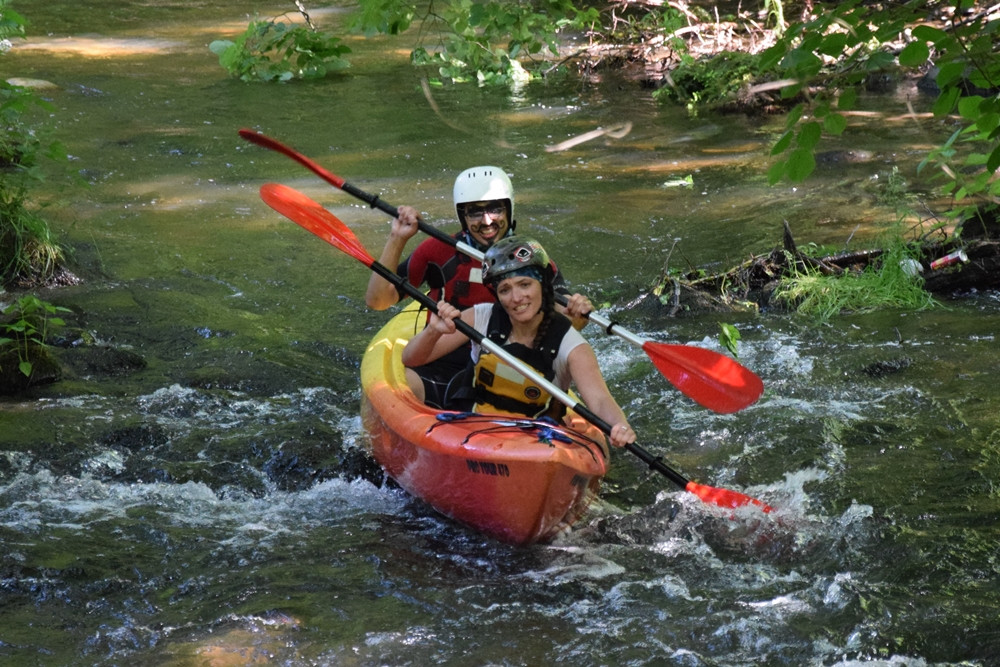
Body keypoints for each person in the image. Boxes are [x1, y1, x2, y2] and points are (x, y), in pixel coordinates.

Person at [365, 166, 585, 409]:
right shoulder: (438, 251)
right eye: (475, 213)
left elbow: (563, 321)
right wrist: (397, 238)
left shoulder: (531, 257)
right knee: (408, 387)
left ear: (509, 209)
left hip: (510, 364)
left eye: (495, 209)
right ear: (462, 216)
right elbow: (378, 300)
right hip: (443, 360)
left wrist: (577, 313)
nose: (487, 220)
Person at [401, 236, 637, 449]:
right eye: (505, 290)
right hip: (472, 430)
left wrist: (620, 426)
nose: (516, 298)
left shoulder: (571, 345)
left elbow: (599, 399)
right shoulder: (481, 317)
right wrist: (432, 332)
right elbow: (412, 359)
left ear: (544, 286)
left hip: (533, 444)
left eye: (525, 285)